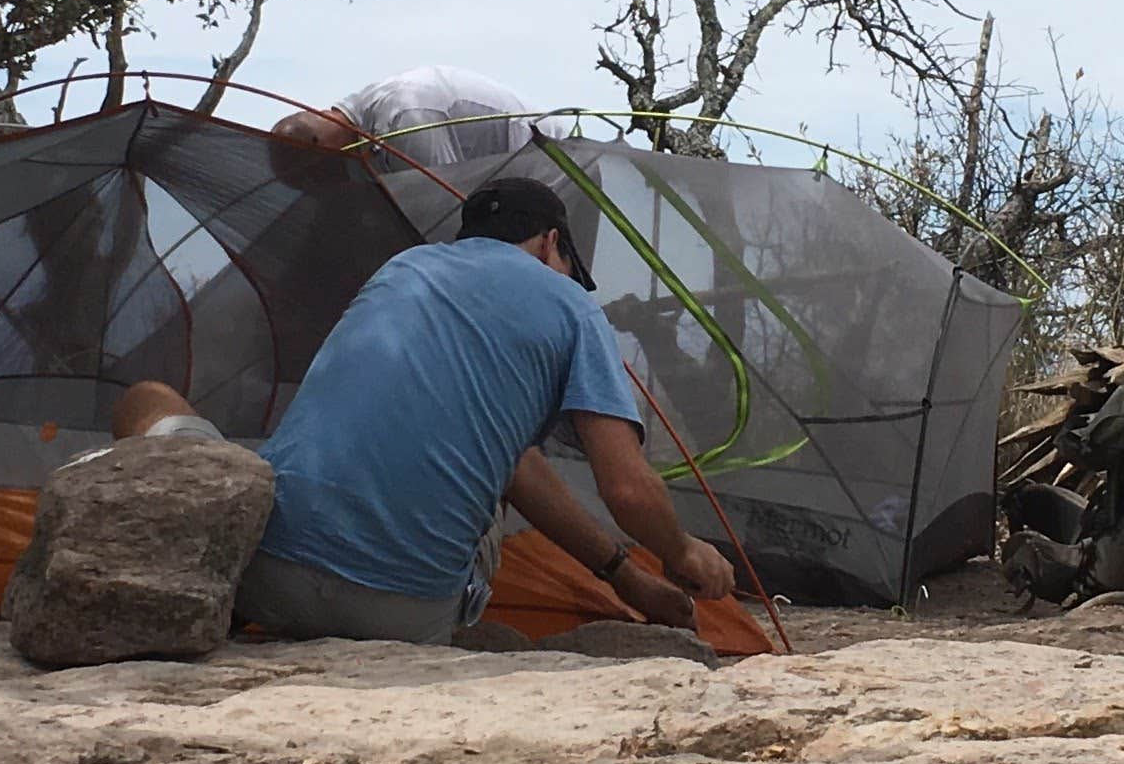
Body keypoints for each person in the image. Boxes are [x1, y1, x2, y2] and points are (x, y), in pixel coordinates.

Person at [109, 174, 737, 645]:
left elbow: (504, 455)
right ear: (552, 243)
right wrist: (683, 553)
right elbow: (625, 489)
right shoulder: (571, 305)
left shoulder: (401, 269)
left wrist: (627, 578)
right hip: (404, 612)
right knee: (491, 464)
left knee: (148, 399)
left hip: (262, 574)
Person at [273, 64, 560, 171]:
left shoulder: (404, 118)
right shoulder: (366, 121)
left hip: (553, 159)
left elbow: (441, 203)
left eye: (320, 174)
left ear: (320, 147)